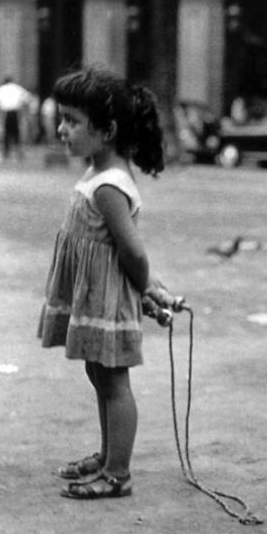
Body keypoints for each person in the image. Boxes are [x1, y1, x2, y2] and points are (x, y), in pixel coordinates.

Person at [38, 67, 174, 499]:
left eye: (72, 121)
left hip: (108, 299)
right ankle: (108, 454)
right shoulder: (96, 171)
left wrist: (147, 289)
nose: (62, 129)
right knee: (100, 375)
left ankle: (119, 473)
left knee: (114, 383)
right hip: (94, 296)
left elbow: (132, 252)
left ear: (108, 129)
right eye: (62, 118)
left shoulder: (111, 185)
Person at [0, 76, 35, 161]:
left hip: (6, 113)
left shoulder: (2, 89)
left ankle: (6, 153)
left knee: (6, 133)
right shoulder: (17, 88)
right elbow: (29, 98)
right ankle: (19, 153)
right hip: (16, 112)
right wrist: (24, 109)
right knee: (16, 132)